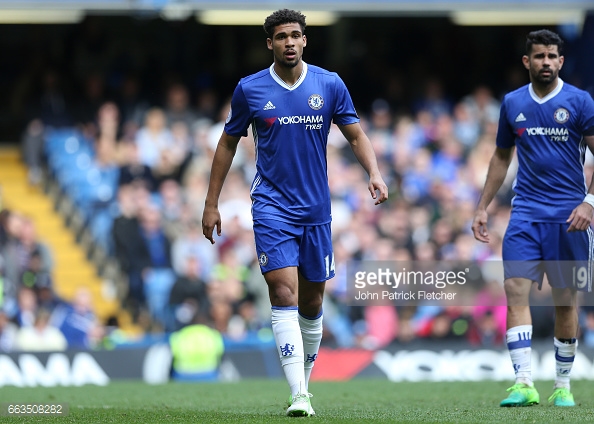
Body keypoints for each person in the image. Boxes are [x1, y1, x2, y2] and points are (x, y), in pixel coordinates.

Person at [202, 9, 388, 417]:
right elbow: (226, 144)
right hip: (271, 207)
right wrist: (211, 202)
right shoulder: (250, 89)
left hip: (317, 211)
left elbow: (355, 134)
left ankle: (303, 382)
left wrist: (373, 172)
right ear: (269, 43)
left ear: (305, 40)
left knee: (312, 302)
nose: (289, 41)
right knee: (282, 292)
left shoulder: (329, 84)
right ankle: (299, 394)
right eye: (281, 36)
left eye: (296, 35)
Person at [472, 29, 594, 407]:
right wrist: (482, 206)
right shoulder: (512, 103)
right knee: (515, 290)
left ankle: (562, 385)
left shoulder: (580, 101)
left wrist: (590, 201)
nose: (545, 62)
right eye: (538, 56)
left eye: (551, 57)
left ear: (560, 61)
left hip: (570, 218)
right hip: (524, 214)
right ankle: (524, 382)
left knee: (564, 301)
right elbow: (501, 157)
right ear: (527, 61)